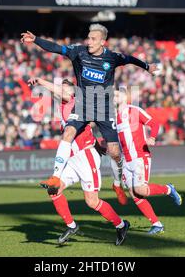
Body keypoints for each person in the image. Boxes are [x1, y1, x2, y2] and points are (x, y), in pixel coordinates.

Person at [21, 24, 160, 205]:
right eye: (88, 38)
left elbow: (130, 59)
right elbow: (56, 48)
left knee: (114, 152)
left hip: (104, 107)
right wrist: (36, 40)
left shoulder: (112, 57)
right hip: (83, 105)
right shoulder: (78, 52)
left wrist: (147, 66)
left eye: (93, 39)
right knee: (68, 133)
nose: (89, 42)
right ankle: (55, 176)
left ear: (102, 41)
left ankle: (117, 184)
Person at [27, 77, 130, 245]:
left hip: (86, 157)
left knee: (92, 201)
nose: (63, 91)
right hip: (74, 160)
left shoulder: (74, 102)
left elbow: (60, 93)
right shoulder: (65, 108)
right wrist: (97, 143)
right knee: (54, 190)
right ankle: (71, 225)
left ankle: (120, 225)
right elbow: (86, 129)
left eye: (66, 89)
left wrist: (40, 81)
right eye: (62, 88)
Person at [114, 89, 182, 234]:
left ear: (126, 97)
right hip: (127, 160)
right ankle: (157, 224)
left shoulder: (134, 110)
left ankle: (168, 189)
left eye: (117, 94)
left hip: (140, 156)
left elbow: (154, 123)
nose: (114, 97)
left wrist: (153, 137)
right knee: (134, 193)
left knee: (140, 190)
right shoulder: (114, 117)